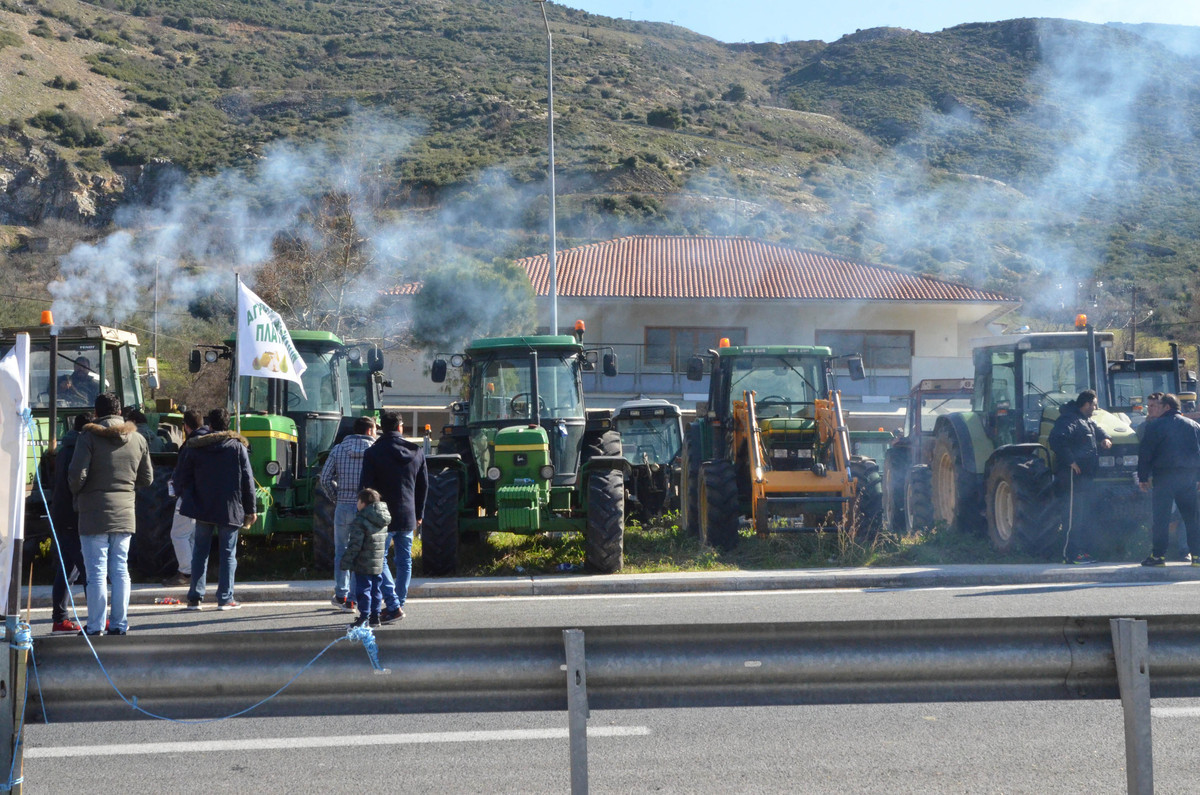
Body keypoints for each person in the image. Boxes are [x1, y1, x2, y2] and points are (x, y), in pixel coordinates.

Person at [68, 392, 152, 636]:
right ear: (120, 412)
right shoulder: (137, 438)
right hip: (125, 512)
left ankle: (95, 626)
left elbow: (77, 476)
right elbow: (147, 478)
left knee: (96, 572)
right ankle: (119, 624)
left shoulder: (89, 437)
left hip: (93, 513)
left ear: (96, 413)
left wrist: (78, 491)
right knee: (120, 569)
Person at [175, 408, 256, 611]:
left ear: (209, 426)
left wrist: (190, 499)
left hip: (203, 508)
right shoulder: (237, 447)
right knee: (228, 554)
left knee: (200, 553)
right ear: (228, 425)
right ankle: (225, 598)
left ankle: (195, 597)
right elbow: (248, 480)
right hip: (230, 507)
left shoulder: (196, 447)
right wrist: (251, 509)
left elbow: (183, 478)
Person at [361, 411, 428, 622]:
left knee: (378, 560)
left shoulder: (373, 453)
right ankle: (398, 603)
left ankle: (393, 605)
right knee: (404, 561)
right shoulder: (416, 451)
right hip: (408, 515)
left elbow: (366, 488)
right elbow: (423, 486)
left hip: (381, 516)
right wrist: (419, 513)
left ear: (382, 428)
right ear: (400, 427)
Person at [319, 415, 378, 610]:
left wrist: (336, 498)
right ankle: (355, 597)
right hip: (367, 508)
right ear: (370, 431)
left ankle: (342, 595)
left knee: (342, 552)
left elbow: (325, 478)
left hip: (343, 506)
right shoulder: (375, 450)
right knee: (362, 553)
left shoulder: (338, 449)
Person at [1048, 389, 1111, 565]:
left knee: (1083, 515)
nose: (1096, 408)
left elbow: (1098, 431)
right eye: (1094, 405)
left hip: (1085, 477)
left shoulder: (1086, 420)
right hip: (1072, 476)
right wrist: (1071, 461)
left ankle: (1080, 552)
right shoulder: (1069, 420)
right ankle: (1069, 554)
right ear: (1086, 404)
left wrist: (1105, 438)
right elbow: (1056, 439)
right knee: (1073, 515)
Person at [1137, 392, 1200, 566]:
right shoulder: (1194, 426)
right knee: (1192, 519)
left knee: (1161, 519)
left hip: (1164, 478)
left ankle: (1158, 557)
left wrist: (1143, 477)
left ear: (1167, 407)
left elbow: (1145, 454)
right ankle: (1197, 557)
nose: (1155, 409)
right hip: (1187, 478)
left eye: (1160, 405)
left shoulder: (1155, 426)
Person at [48, 411, 92, 634]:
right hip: (73, 515)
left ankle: (60, 619)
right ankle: (95, 618)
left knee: (68, 569)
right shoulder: (78, 449)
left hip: (62, 514)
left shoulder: (66, 447)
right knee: (86, 569)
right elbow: (77, 482)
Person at [340, 488, 392, 629]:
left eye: (358, 501)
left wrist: (346, 560)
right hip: (378, 560)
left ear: (363, 503)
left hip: (363, 562)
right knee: (376, 590)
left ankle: (364, 617)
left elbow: (355, 544)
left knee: (363, 590)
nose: (357, 503)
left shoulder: (361, 520)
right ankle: (375, 617)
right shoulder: (382, 518)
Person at [162, 409, 203, 587]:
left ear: (185, 426)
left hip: (188, 496)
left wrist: (176, 487)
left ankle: (186, 572)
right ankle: (195, 571)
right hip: (203, 495)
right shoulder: (207, 442)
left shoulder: (189, 446)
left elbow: (184, 472)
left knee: (178, 535)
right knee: (191, 536)